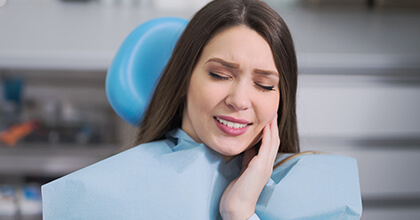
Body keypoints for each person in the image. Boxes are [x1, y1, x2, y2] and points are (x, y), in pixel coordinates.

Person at [42, 0, 362, 219]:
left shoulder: (314, 194)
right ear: (183, 79)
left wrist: (241, 211)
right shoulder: (113, 197)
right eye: (220, 75)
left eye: (265, 85)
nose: (240, 100)